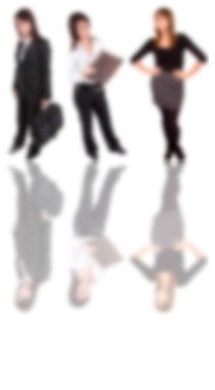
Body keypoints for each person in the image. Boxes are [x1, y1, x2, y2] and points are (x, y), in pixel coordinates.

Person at [131, 7, 207, 163]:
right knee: (166, 117)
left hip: (175, 83)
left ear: (170, 20)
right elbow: (134, 59)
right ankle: (173, 147)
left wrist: (188, 74)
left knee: (173, 118)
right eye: (156, 19)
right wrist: (149, 71)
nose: (158, 21)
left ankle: (173, 146)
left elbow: (203, 57)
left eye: (162, 18)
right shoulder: (152, 42)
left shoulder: (181, 39)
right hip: (159, 83)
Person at [131, 163, 207, 311]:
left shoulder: (151, 277)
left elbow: (134, 259)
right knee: (170, 199)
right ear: (170, 299)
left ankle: (173, 173)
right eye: (163, 300)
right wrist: (187, 246)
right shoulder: (182, 281)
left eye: (157, 300)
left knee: (167, 199)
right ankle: (173, 173)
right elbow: (203, 262)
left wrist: (150, 248)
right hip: (174, 234)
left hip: (158, 235)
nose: (160, 297)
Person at [68, 12, 125, 161]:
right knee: (87, 124)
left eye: (86, 26)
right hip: (82, 92)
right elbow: (71, 76)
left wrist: (112, 70)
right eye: (80, 28)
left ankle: (114, 146)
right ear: (74, 30)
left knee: (106, 120)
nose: (84, 30)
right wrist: (83, 72)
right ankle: (92, 151)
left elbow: (104, 61)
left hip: (99, 89)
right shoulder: (74, 49)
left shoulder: (99, 42)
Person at [68, 163, 124, 307]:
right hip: (98, 232)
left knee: (86, 195)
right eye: (84, 296)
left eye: (78, 294)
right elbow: (106, 256)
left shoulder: (74, 271)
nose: (83, 292)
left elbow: (72, 245)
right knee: (106, 199)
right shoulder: (97, 277)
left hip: (82, 229)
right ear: (89, 295)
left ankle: (91, 168)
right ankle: (114, 173)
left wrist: (83, 249)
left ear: (73, 290)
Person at [12, 162, 62, 311]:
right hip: (37, 228)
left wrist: (14, 234)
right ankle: (33, 166)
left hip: (22, 230)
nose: (22, 292)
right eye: (25, 296)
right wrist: (47, 224)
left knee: (21, 196)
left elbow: (18, 251)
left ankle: (17, 171)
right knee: (34, 196)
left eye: (18, 295)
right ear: (31, 295)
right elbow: (46, 249)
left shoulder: (19, 273)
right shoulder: (43, 275)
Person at [10, 8, 52, 160]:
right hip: (22, 88)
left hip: (36, 90)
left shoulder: (42, 43)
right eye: (17, 24)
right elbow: (18, 67)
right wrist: (14, 85)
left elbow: (46, 70)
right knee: (20, 118)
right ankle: (19, 141)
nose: (20, 27)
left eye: (22, 23)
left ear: (31, 23)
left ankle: (35, 146)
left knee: (35, 121)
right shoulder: (20, 43)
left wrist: (46, 95)